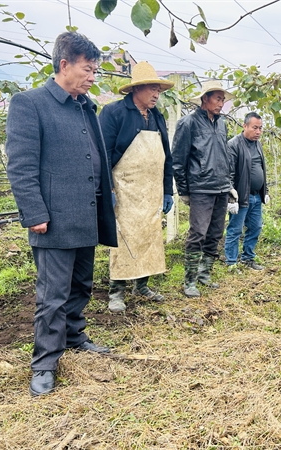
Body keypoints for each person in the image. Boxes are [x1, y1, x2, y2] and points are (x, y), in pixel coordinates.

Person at [5, 32, 117, 396]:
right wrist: (34, 212)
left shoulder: (85, 106)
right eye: (88, 69)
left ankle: (74, 336)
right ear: (64, 65)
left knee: (81, 285)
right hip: (53, 218)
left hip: (87, 213)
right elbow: (21, 165)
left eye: (95, 70)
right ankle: (44, 362)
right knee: (52, 295)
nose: (93, 77)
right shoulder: (30, 103)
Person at [99, 62, 175, 313]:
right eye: (152, 89)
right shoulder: (114, 113)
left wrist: (167, 190)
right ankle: (116, 291)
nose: (156, 94)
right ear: (136, 89)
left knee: (150, 236)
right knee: (123, 238)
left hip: (151, 190)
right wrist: (108, 188)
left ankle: (142, 285)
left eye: (158, 90)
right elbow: (103, 154)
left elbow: (166, 156)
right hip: (124, 189)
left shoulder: (156, 117)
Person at [172, 80, 237, 297]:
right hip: (200, 187)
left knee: (215, 233)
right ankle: (189, 280)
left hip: (220, 187)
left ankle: (204, 273)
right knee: (198, 233)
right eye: (218, 99)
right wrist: (184, 190)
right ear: (205, 98)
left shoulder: (222, 124)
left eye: (223, 99)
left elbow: (225, 156)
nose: (221, 103)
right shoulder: (188, 123)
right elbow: (178, 159)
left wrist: (228, 185)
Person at [224, 112, 270, 270]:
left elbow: (262, 168)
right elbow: (228, 173)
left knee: (256, 227)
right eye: (255, 128)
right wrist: (231, 198)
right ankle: (231, 262)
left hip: (256, 196)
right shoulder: (234, 145)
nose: (258, 131)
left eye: (260, 128)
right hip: (241, 197)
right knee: (235, 229)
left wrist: (265, 191)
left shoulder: (258, 144)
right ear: (245, 126)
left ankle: (248, 258)